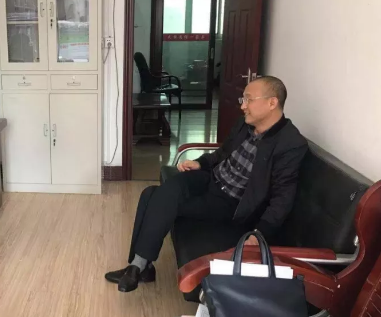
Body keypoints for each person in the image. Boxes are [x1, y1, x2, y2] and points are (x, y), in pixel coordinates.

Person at [105, 76, 308, 293]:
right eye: (243, 99)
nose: (243, 106)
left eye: (249, 99)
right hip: (210, 179)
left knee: (151, 194)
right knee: (163, 191)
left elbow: (282, 197)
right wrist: (200, 163)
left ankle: (138, 266)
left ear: (272, 102)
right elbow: (223, 153)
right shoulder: (245, 125)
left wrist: (260, 232)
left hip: (230, 203)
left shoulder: (290, 144)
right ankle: (140, 267)